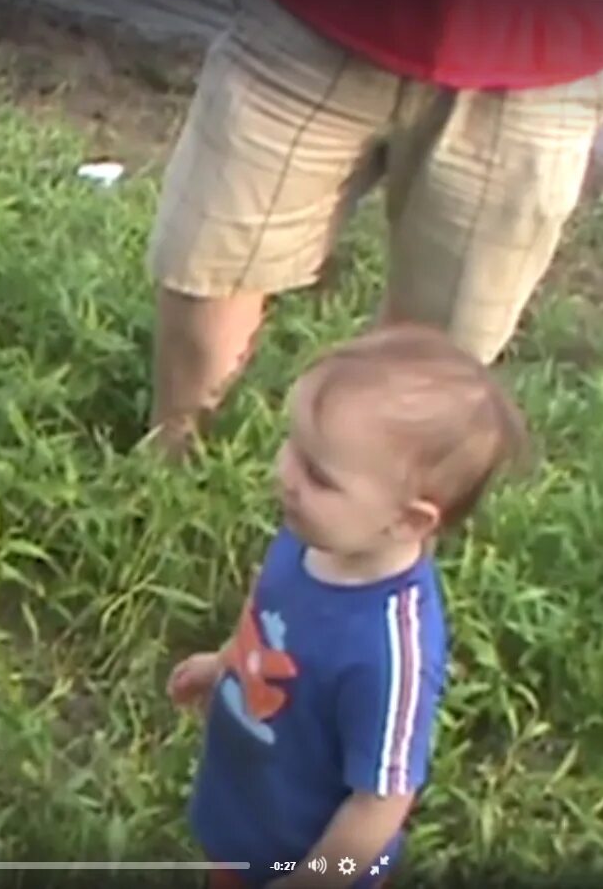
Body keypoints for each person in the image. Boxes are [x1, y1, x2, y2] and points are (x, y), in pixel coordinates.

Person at [145, 0, 603, 457]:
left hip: (548, 52)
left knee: (447, 340)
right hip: (321, 18)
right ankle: (173, 466)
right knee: (208, 264)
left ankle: (359, 511)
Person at [166, 324, 530, 887]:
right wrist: (224, 663)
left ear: (407, 519)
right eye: (294, 445)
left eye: (318, 474)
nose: (284, 475)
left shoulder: (388, 651)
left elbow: (380, 803)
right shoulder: (312, 535)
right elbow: (269, 613)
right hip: (248, 812)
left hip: (305, 854)